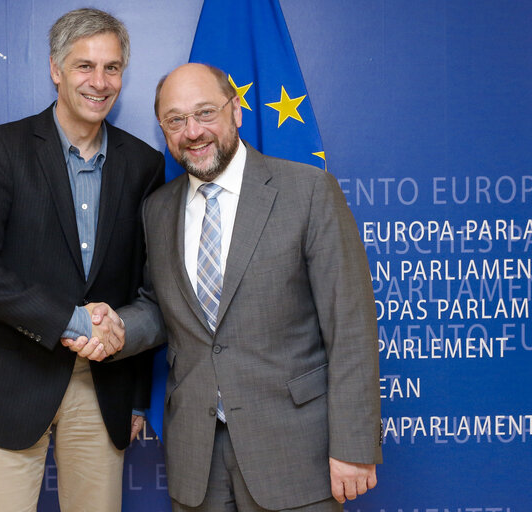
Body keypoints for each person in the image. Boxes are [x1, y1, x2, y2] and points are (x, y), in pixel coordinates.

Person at [69, 63, 381, 511]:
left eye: (205, 113)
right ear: (162, 129)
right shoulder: (158, 210)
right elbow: (163, 309)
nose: (192, 131)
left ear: (236, 111)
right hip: (197, 459)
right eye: (176, 120)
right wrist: (117, 326)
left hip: (295, 452)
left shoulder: (308, 191)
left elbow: (350, 326)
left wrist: (353, 445)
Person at [0, 8, 164, 512]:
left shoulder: (144, 164)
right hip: (13, 382)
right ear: (55, 69)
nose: (99, 82)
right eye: (84, 66)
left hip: (103, 387)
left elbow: (146, 287)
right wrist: (66, 318)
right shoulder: (3, 148)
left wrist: (137, 396)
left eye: (112, 68)